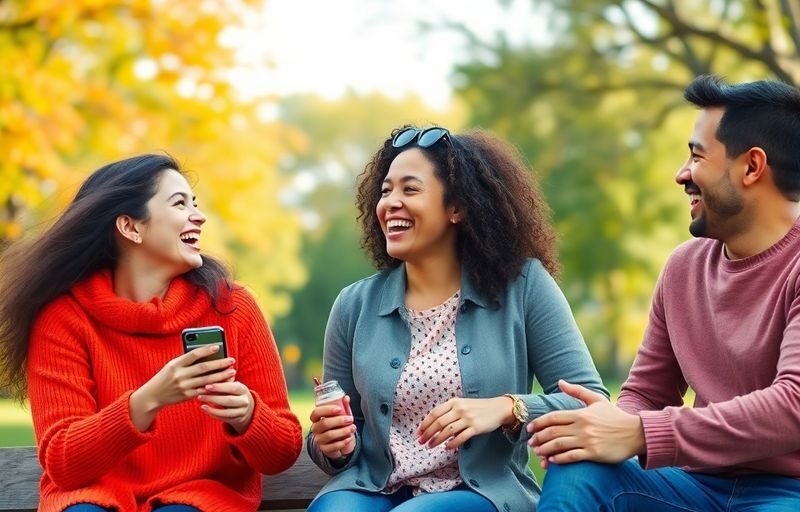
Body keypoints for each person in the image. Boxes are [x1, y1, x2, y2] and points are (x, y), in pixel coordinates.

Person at [530, 75, 800, 511]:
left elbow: (794, 407)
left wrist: (639, 433)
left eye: (697, 157)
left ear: (751, 167)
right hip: (693, 486)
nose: (682, 175)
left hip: (789, 493)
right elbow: (647, 393)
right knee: (578, 464)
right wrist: (608, 425)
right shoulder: (683, 268)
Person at [306, 125, 608, 512]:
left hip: (479, 494)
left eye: (410, 190)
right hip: (372, 489)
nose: (390, 203)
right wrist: (331, 443)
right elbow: (337, 437)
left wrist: (507, 407)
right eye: (385, 191)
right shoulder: (353, 304)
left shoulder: (524, 286)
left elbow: (589, 401)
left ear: (457, 208)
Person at [0, 154, 302, 512]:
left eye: (195, 203)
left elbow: (282, 451)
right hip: (93, 498)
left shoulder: (232, 307)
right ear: (131, 227)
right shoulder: (64, 317)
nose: (199, 215)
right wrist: (150, 399)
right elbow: (64, 463)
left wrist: (247, 413)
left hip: (197, 499)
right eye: (179, 203)